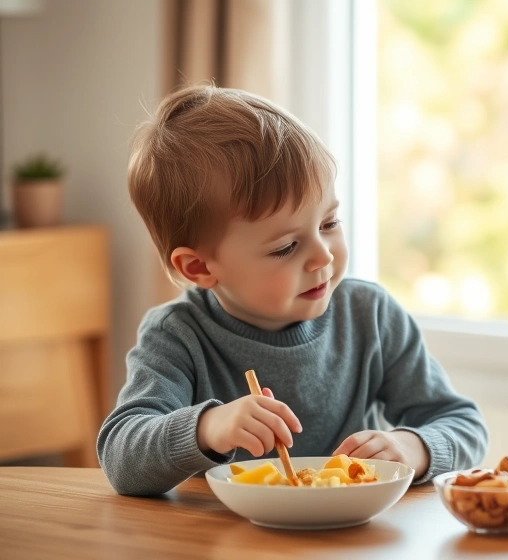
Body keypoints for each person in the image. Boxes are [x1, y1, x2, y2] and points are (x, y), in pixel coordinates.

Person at [98, 85, 487, 496]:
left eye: (329, 224)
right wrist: (207, 428)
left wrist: (414, 447)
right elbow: (121, 460)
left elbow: (462, 424)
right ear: (199, 267)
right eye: (285, 247)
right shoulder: (176, 335)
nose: (323, 256)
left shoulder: (369, 315)